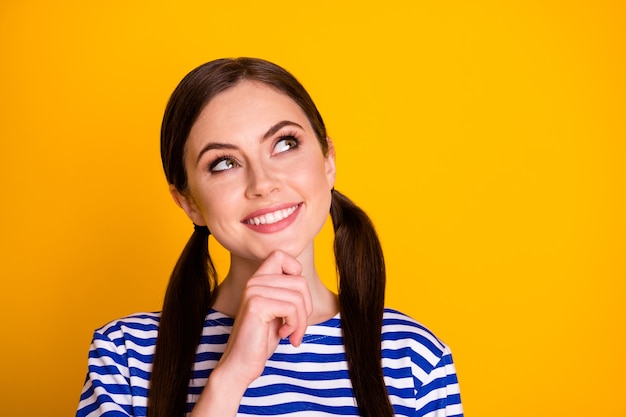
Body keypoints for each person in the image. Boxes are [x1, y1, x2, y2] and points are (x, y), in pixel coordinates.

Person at [76, 57, 463, 417]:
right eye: (223, 163)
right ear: (188, 202)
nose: (262, 184)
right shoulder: (127, 355)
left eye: (284, 143)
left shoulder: (413, 357)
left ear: (328, 161)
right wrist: (229, 378)